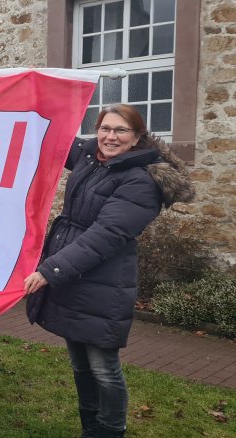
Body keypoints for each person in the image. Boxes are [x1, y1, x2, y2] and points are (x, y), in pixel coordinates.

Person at [24, 104, 194, 438]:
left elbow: (105, 236)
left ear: (137, 138)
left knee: (103, 368)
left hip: (103, 281)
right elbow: (55, 139)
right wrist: (36, 97)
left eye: (120, 131)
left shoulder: (140, 181)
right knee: (80, 364)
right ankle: (91, 428)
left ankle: (110, 431)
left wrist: (49, 270)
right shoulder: (92, 159)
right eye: (105, 128)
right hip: (72, 275)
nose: (110, 137)